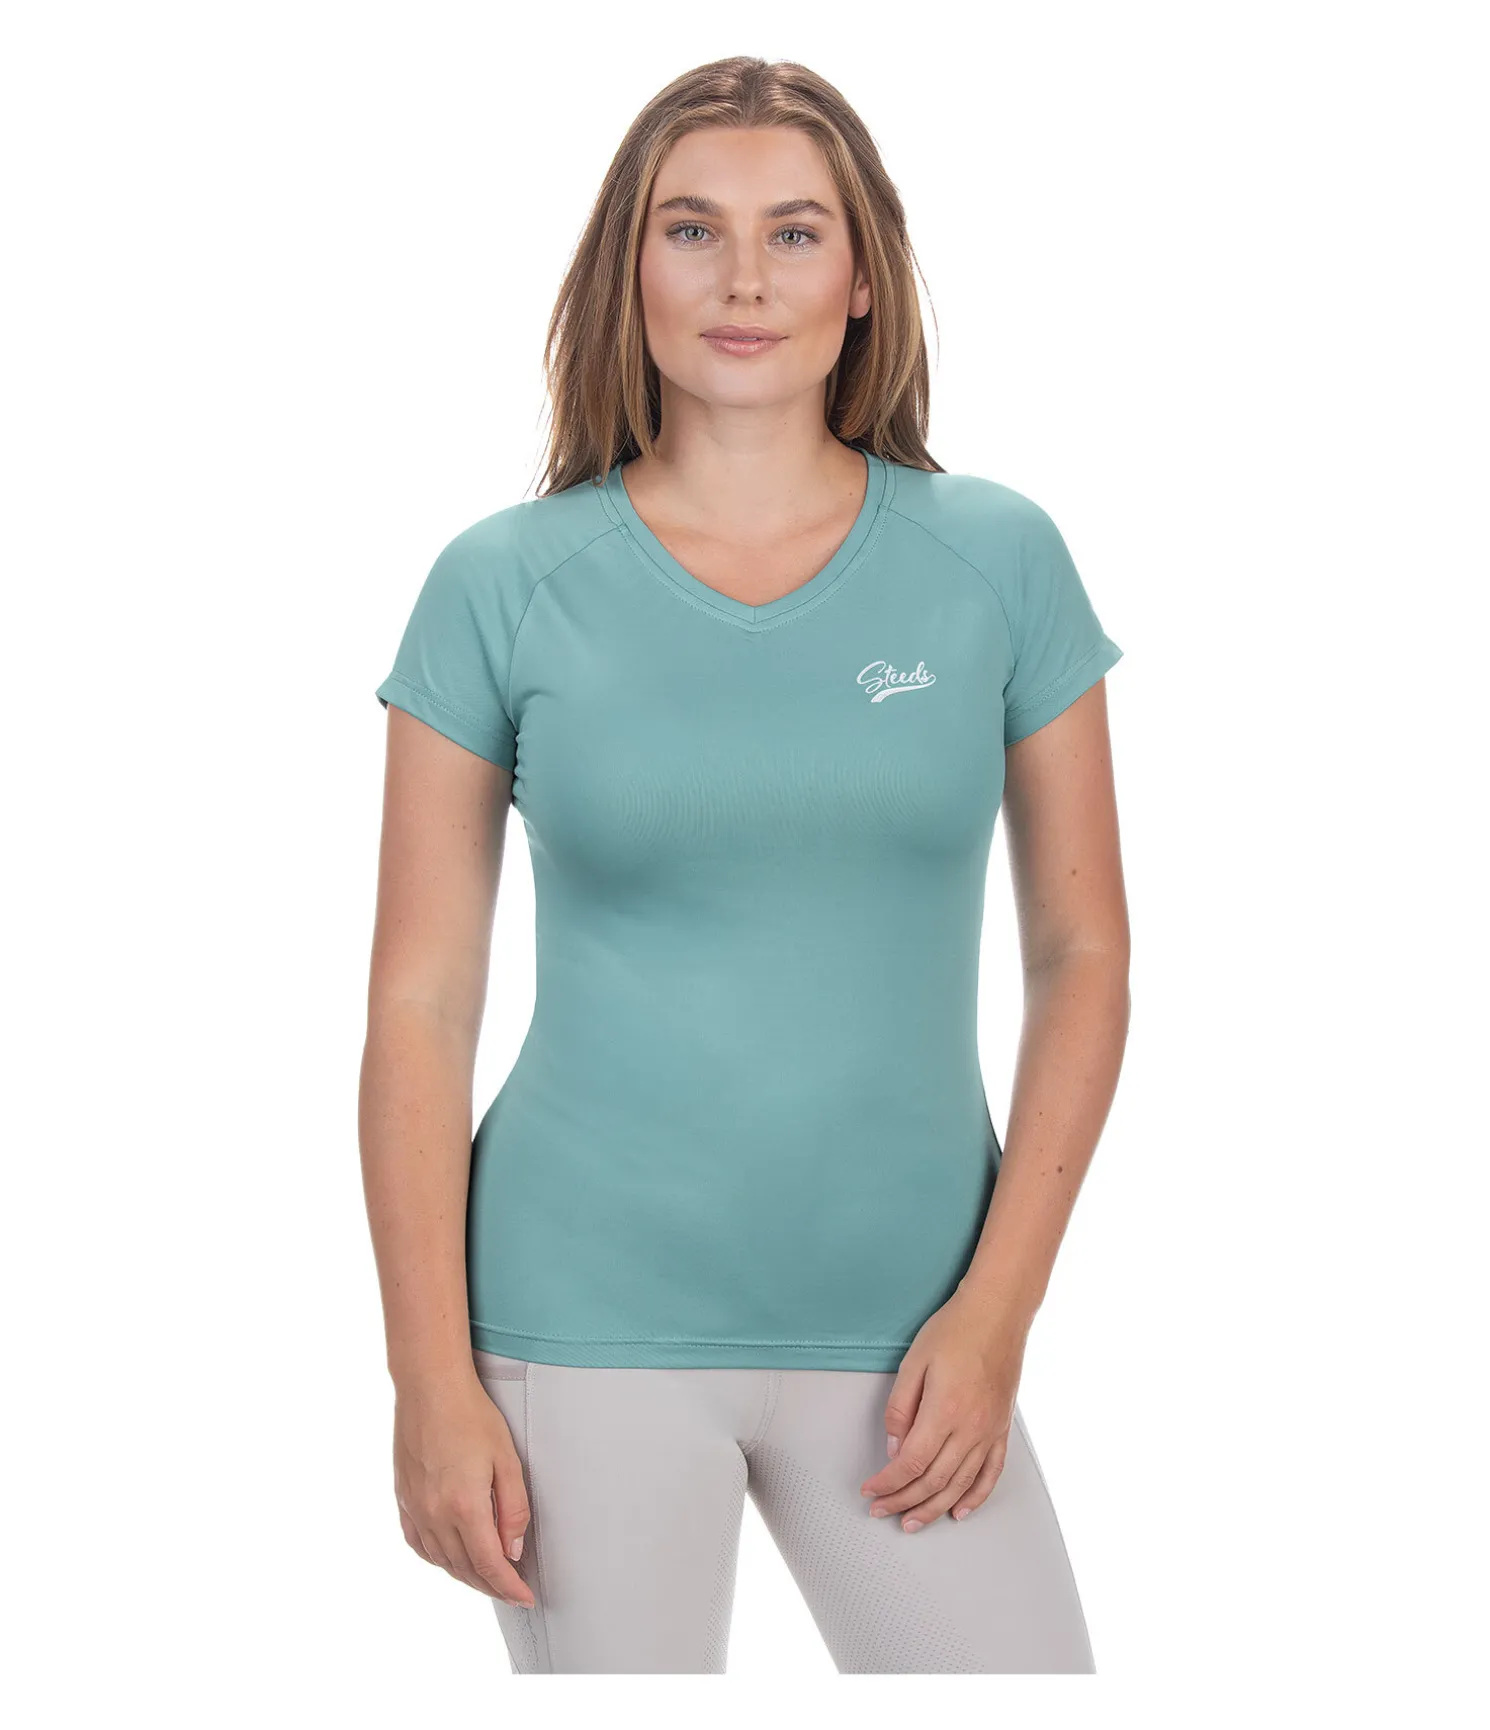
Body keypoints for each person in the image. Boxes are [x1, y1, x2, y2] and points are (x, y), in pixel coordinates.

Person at [360, 55, 1129, 1675]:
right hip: (580, 1319)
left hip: (916, 1327)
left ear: (861, 279)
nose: (741, 279)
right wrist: (426, 1377)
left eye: (793, 232)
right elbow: (420, 1003)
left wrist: (997, 1312)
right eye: (690, 228)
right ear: (626, 268)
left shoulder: (994, 561)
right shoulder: (500, 585)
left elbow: (1081, 956)